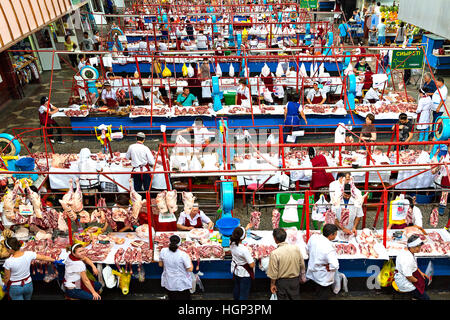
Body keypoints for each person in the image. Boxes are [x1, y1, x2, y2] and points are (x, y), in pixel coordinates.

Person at [266, 228, 305, 300]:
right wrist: (302, 276)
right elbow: (302, 264)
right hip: (295, 281)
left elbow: (273, 273)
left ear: (275, 239)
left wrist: (272, 284)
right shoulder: (296, 248)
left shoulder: (275, 253)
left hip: (282, 283)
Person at [306, 223, 339, 300]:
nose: (336, 236)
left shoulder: (313, 237)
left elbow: (307, 249)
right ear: (331, 235)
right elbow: (335, 265)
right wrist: (329, 266)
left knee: (317, 290)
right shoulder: (329, 247)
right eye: (335, 234)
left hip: (313, 271)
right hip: (322, 276)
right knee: (322, 294)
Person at [393, 234, 431, 300]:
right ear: (412, 247)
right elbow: (408, 276)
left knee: (426, 280)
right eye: (418, 247)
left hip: (411, 274)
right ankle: (416, 295)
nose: (420, 249)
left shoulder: (408, 250)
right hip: (405, 281)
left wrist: (421, 273)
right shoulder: (407, 259)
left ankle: (418, 294)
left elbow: (414, 265)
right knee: (426, 298)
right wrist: (418, 283)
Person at [158, 234, 194, 300]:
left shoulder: (163, 251)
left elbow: (160, 264)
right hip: (181, 283)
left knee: (172, 297)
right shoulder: (183, 254)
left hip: (169, 281)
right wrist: (190, 260)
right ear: (179, 244)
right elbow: (190, 269)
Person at [230, 226, 255, 300]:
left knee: (236, 288)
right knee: (244, 292)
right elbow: (251, 265)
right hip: (244, 274)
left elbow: (238, 234)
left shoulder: (231, 243)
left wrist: (246, 228)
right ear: (243, 237)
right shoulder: (244, 250)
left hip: (236, 270)